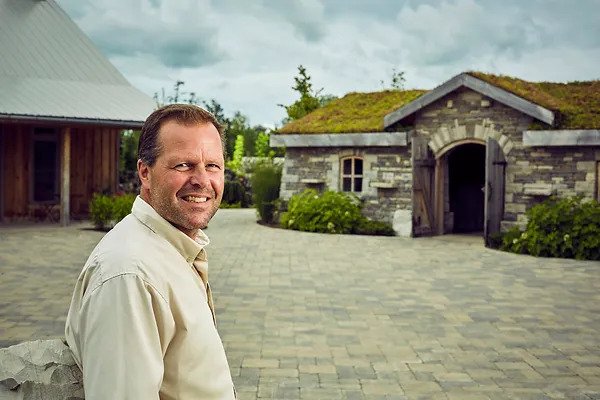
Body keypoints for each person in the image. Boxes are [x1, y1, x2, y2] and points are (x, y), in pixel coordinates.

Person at [65, 104, 236, 399]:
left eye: (212, 166)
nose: (202, 180)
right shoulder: (129, 275)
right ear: (145, 172)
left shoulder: (171, 249)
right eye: (183, 165)